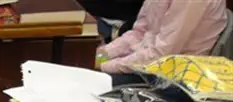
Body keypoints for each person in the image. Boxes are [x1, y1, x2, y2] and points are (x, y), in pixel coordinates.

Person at [97, 0, 227, 86]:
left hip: (174, 78)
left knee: (93, 84)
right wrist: (100, 56)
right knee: (84, 71)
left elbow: (161, 55)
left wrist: (103, 66)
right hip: (149, 64)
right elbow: (139, 33)